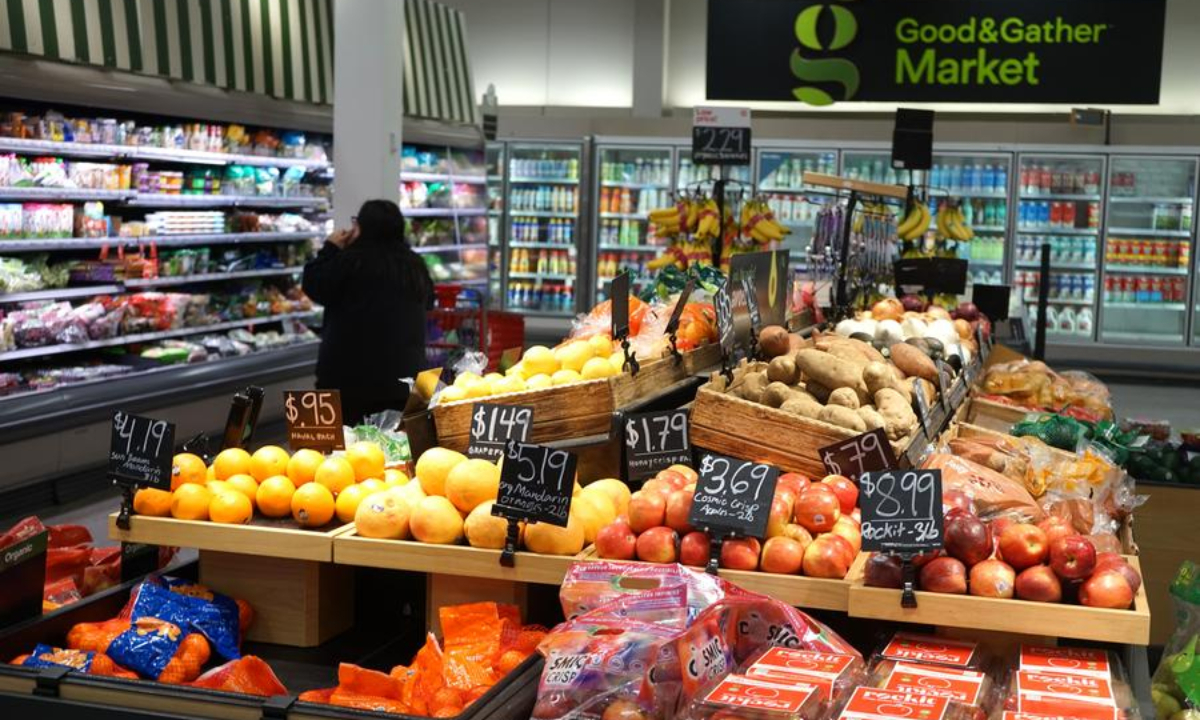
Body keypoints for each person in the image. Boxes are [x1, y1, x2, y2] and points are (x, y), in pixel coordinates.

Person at [302, 199, 433, 424]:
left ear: (361, 227)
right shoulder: (414, 265)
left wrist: (330, 248)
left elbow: (315, 285)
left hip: (346, 381)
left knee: (338, 454)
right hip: (403, 382)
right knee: (394, 452)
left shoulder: (349, 261)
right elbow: (429, 302)